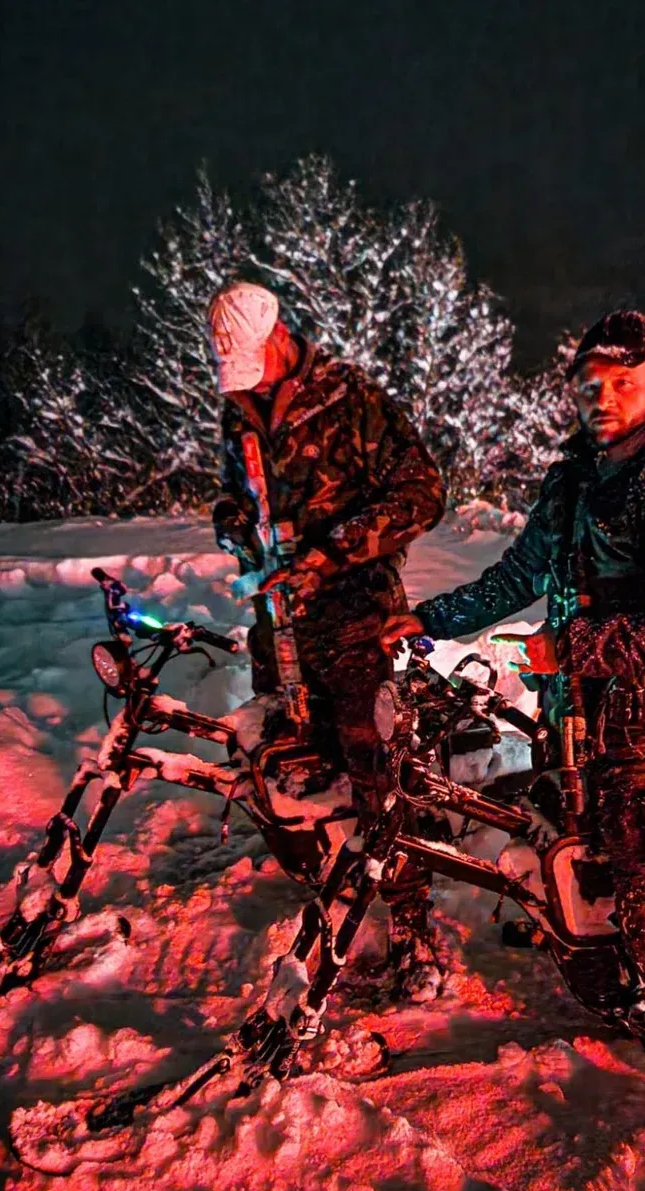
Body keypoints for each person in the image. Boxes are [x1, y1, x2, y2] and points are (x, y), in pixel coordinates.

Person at [381, 309, 645, 1191]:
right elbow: (519, 572)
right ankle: (610, 972)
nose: (602, 398)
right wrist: (432, 618)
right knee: (574, 857)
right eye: (588, 383)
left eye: (622, 381)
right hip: (581, 726)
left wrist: (576, 646)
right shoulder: (578, 477)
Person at [209, 281, 448, 1001]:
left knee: (374, 765)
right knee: (295, 761)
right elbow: (231, 491)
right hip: (281, 627)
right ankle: (330, 886)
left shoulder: (349, 398)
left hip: (355, 614)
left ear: (280, 334)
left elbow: (422, 492)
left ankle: (413, 925)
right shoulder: (239, 411)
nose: (245, 383)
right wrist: (233, 523)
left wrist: (330, 552)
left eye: (254, 362)